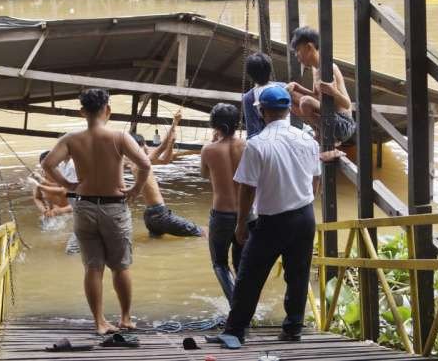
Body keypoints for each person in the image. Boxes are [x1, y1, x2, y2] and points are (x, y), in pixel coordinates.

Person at [42, 88, 151, 335]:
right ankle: (125, 318)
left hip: (83, 206)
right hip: (114, 206)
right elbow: (145, 164)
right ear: (108, 110)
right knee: (121, 266)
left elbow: (48, 164)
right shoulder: (119, 137)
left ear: (82, 111)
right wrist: (135, 189)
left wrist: (67, 184)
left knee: (93, 267)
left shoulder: (71, 139)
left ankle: (100, 322)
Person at [217, 86, 320, 345]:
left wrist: (241, 224)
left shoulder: (257, 145)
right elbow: (315, 180)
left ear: (262, 112)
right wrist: (306, 202)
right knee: (298, 275)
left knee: (249, 276)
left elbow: (247, 189)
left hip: (272, 221)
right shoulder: (308, 139)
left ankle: (235, 331)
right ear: (288, 111)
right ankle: (293, 328)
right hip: (305, 216)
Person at [129, 110, 204, 238]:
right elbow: (162, 146)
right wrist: (175, 123)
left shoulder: (136, 164)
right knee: (201, 233)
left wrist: (171, 144)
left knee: (156, 243)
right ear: (139, 147)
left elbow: (165, 160)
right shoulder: (140, 162)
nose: (147, 147)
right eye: (145, 145)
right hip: (159, 214)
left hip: (151, 216)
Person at [200, 103, 247, 305]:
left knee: (220, 263)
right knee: (242, 264)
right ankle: (247, 306)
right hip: (246, 214)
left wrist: (213, 142)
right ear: (237, 124)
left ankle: (235, 305)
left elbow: (204, 175)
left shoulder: (208, 150)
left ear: (214, 125)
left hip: (221, 215)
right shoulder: (247, 146)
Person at [287, 26, 356, 144]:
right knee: (289, 96)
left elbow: (347, 104)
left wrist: (333, 92)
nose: (296, 55)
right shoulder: (315, 68)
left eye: (298, 50)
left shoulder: (330, 69)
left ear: (309, 47)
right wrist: (296, 87)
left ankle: (327, 137)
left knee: (305, 102)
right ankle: (319, 132)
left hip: (344, 124)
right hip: (330, 117)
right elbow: (316, 95)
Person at [241, 52, 286, 139]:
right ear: (270, 70)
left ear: (250, 75)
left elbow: (253, 131)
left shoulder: (249, 98)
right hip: (291, 137)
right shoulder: (283, 87)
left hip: (267, 142)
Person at [34, 151, 73, 218]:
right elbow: (37, 198)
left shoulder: (68, 178)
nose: (45, 171)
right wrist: (44, 210)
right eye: (44, 167)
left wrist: (61, 210)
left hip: (69, 216)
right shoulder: (39, 181)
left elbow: (79, 202)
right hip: (50, 216)